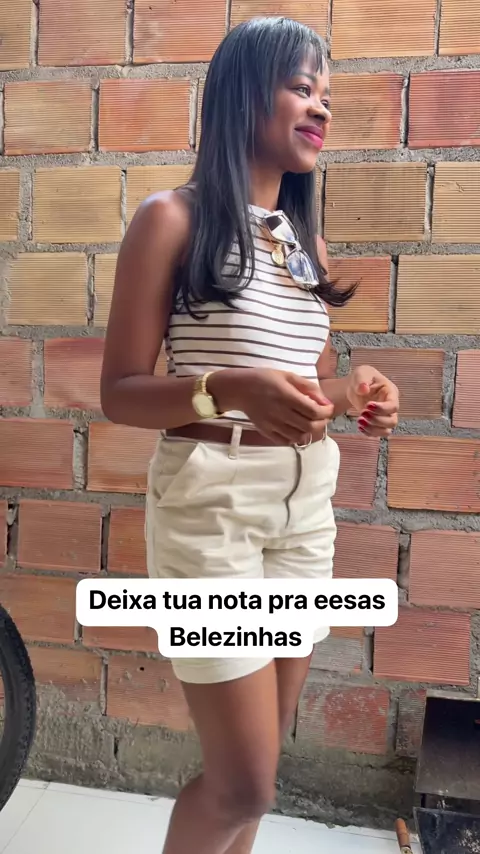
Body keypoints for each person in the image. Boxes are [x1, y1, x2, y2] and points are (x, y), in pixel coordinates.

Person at [100, 16, 400, 854]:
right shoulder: (171, 218)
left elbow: (306, 389)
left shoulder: (304, 246)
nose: (321, 108)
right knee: (244, 781)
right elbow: (119, 394)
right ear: (242, 96)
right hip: (213, 510)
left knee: (257, 777)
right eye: (302, 88)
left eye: (326, 95)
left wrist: (357, 393)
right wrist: (226, 388)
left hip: (303, 511)